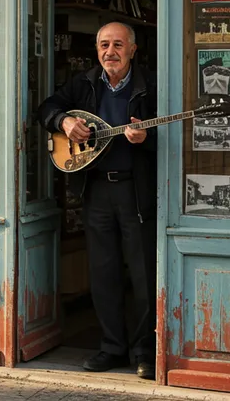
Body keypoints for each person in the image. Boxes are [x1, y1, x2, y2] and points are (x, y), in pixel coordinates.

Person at [37, 22, 158, 380]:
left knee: (142, 275)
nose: (111, 52)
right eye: (104, 44)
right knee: (103, 273)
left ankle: (144, 352)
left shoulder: (150, 84)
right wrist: (64, 121)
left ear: (133, 50)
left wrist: (145, 139)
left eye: (118, 45)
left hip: (137, 191)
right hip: (97, 190)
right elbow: (46, 107)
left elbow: (172, 139)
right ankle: (111, 347)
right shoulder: (84, 82)